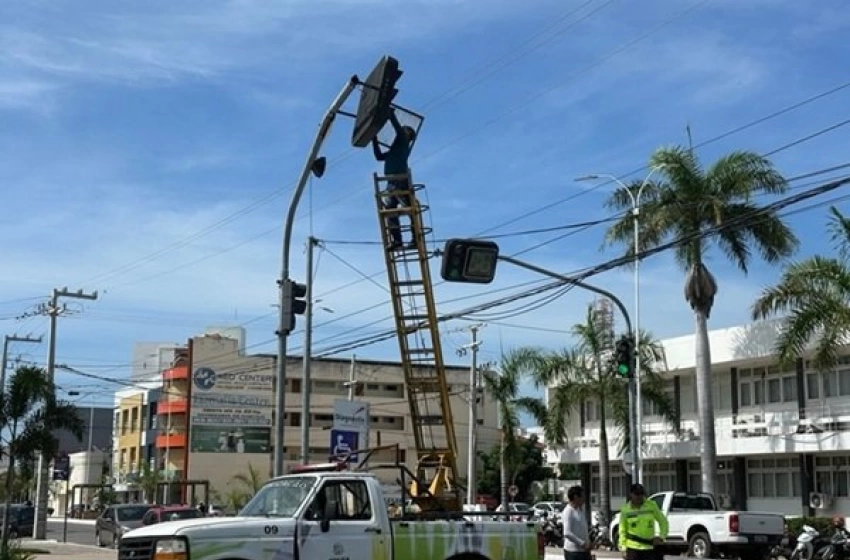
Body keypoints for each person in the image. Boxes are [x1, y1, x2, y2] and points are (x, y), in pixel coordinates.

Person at [372, 109, 417, 249]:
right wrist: (374, 139)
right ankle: (397, 241)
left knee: (410, 210)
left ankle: (415, 239)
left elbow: (398, 129)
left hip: (401, 182)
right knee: (390, 211)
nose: (402, 132)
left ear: (408, 136)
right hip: (391, 184)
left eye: (405, 131)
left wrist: (390, 114)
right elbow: (379, 156)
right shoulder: (394, 150)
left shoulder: (403, 142)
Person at [619, 484, 668, 560]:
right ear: (631, 494)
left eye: (641, 494)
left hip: (649, 547)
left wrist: (661, 537)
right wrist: (623, 548)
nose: (639, 497)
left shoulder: (651, 506)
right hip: (633, 548)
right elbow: (622, 530)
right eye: (637, 494)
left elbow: (663, 521)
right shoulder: (625, 510)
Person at [562, 485, 591, 560]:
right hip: (573, 552)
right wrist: (582, 543)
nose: (584, 499)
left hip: (584, 551)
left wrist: (587, 542)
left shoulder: (580, 510)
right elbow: (567, 532)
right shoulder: (568, 511)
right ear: (575, 497)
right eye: (582, 497)